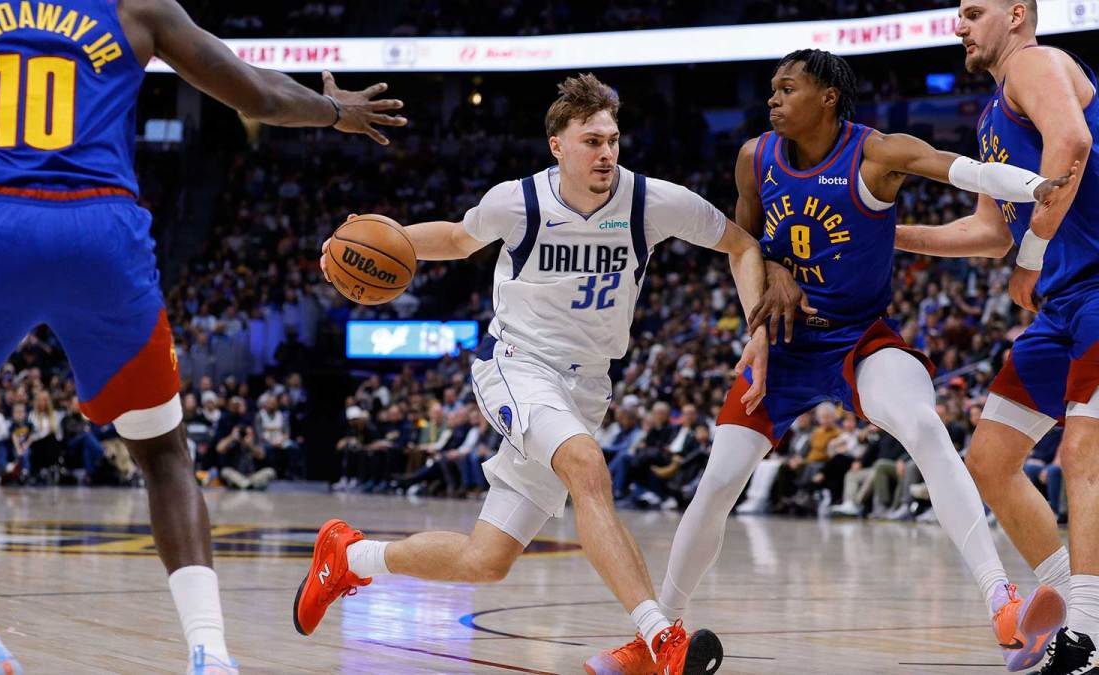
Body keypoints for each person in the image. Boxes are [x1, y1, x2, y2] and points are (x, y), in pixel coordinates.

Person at [0, 1, 405, 672]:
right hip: (102, 235)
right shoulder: (137, 8)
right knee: (164, 453)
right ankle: (210, 652)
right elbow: (256, 95)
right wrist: (334, 111)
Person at [591, 48, 1077, 674]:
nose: (773, 98)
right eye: (772, 87)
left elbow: (963, 170)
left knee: (924, 425)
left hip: (858, 339)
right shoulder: (755, 157)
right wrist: (768, 286)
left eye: (787, 88)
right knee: (717, 482)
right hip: (785, 343)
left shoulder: (876, 153)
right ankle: (660, 639)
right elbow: (744, 246)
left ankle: (1001, 601)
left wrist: (1034, 186)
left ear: (827, 97)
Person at [298, 73, 789, 674]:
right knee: (587, 465)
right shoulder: (519, 201)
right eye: (591, 141)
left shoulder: (651, 201)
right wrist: (365, 239)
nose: (606, 153)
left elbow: (742, 245)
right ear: (558, 146)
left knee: (486, 560)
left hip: (588, 386)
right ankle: (661, 638)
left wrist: (757, 328)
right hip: (518, 364)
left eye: (612, 140)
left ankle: (350, 558)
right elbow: (456, 238)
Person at [896, 1, 1099, 671]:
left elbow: (1071, 144)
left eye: (972, 12)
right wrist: (884, 235)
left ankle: (1089, 635)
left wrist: (1033, 251)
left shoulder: (1036, 64)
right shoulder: (990, 117)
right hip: (1062, 306)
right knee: (989, 460)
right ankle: (1079, 604)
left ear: (1016, 15)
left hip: (1098, 290)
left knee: (1082, 452)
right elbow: (989, 232)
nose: (959, 26)